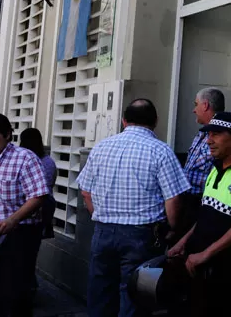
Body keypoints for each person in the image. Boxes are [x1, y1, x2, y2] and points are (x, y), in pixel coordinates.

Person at [78, 99, 190, 317]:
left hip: (103, 231)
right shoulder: (161, 151)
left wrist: (101, 217)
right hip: (143, 236)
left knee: (100, 292)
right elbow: (174, 198)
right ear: (155, 121)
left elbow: (85, 192)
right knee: (136, 296)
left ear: (124, 120)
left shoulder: (101, 147)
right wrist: (173, 228)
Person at [166, 112, 231, 317]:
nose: (209, 141)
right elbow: (206, 214)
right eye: (208, 134)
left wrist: (205, 254)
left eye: (216, 134)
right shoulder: (215, 168)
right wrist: (183, 242)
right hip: (199, 269)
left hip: (230, 274)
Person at [0, 113, 50, 317]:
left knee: (13, 294)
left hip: (18, 234)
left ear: (7, 134)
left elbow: (38, 195)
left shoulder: (24, 158)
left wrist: (13, 219)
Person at [181, 88, 223, 228]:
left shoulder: (223, 137)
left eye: (196, 104)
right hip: (187, 205)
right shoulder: (201, 134)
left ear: (205, 105)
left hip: (203, 206)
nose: (194, 109)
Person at [19, 127, 56, 239]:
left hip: (27, 208)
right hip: (45, 207)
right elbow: (50, 183)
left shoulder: (24, 160)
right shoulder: (49, 161)